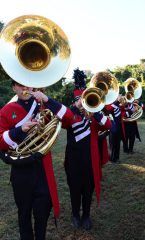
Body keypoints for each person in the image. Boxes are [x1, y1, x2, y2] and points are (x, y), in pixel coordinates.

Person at [44, 68, 112, 230]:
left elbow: (109, 125)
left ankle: (86, 215)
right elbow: (62, 117)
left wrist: (94, 112)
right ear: (75, 100)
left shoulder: (95, 116)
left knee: (88, 190)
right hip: (73, 159)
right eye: (79, 100)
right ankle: (75, 214)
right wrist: (74, 108)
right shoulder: (70, 115)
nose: (82, 103)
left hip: (90, 160)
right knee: (75, 189)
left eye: (84, 99)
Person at [0, 80, 60, 240]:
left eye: (27, 83)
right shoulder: (6, 110)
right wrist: (19, 130)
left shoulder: (42, 104)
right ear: (14, 88)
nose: (25, 87)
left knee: (43, 212)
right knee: (24, 214)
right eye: (19, 84)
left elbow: (61, 119)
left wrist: (46, 100)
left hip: (42, 169)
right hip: (21, 171)